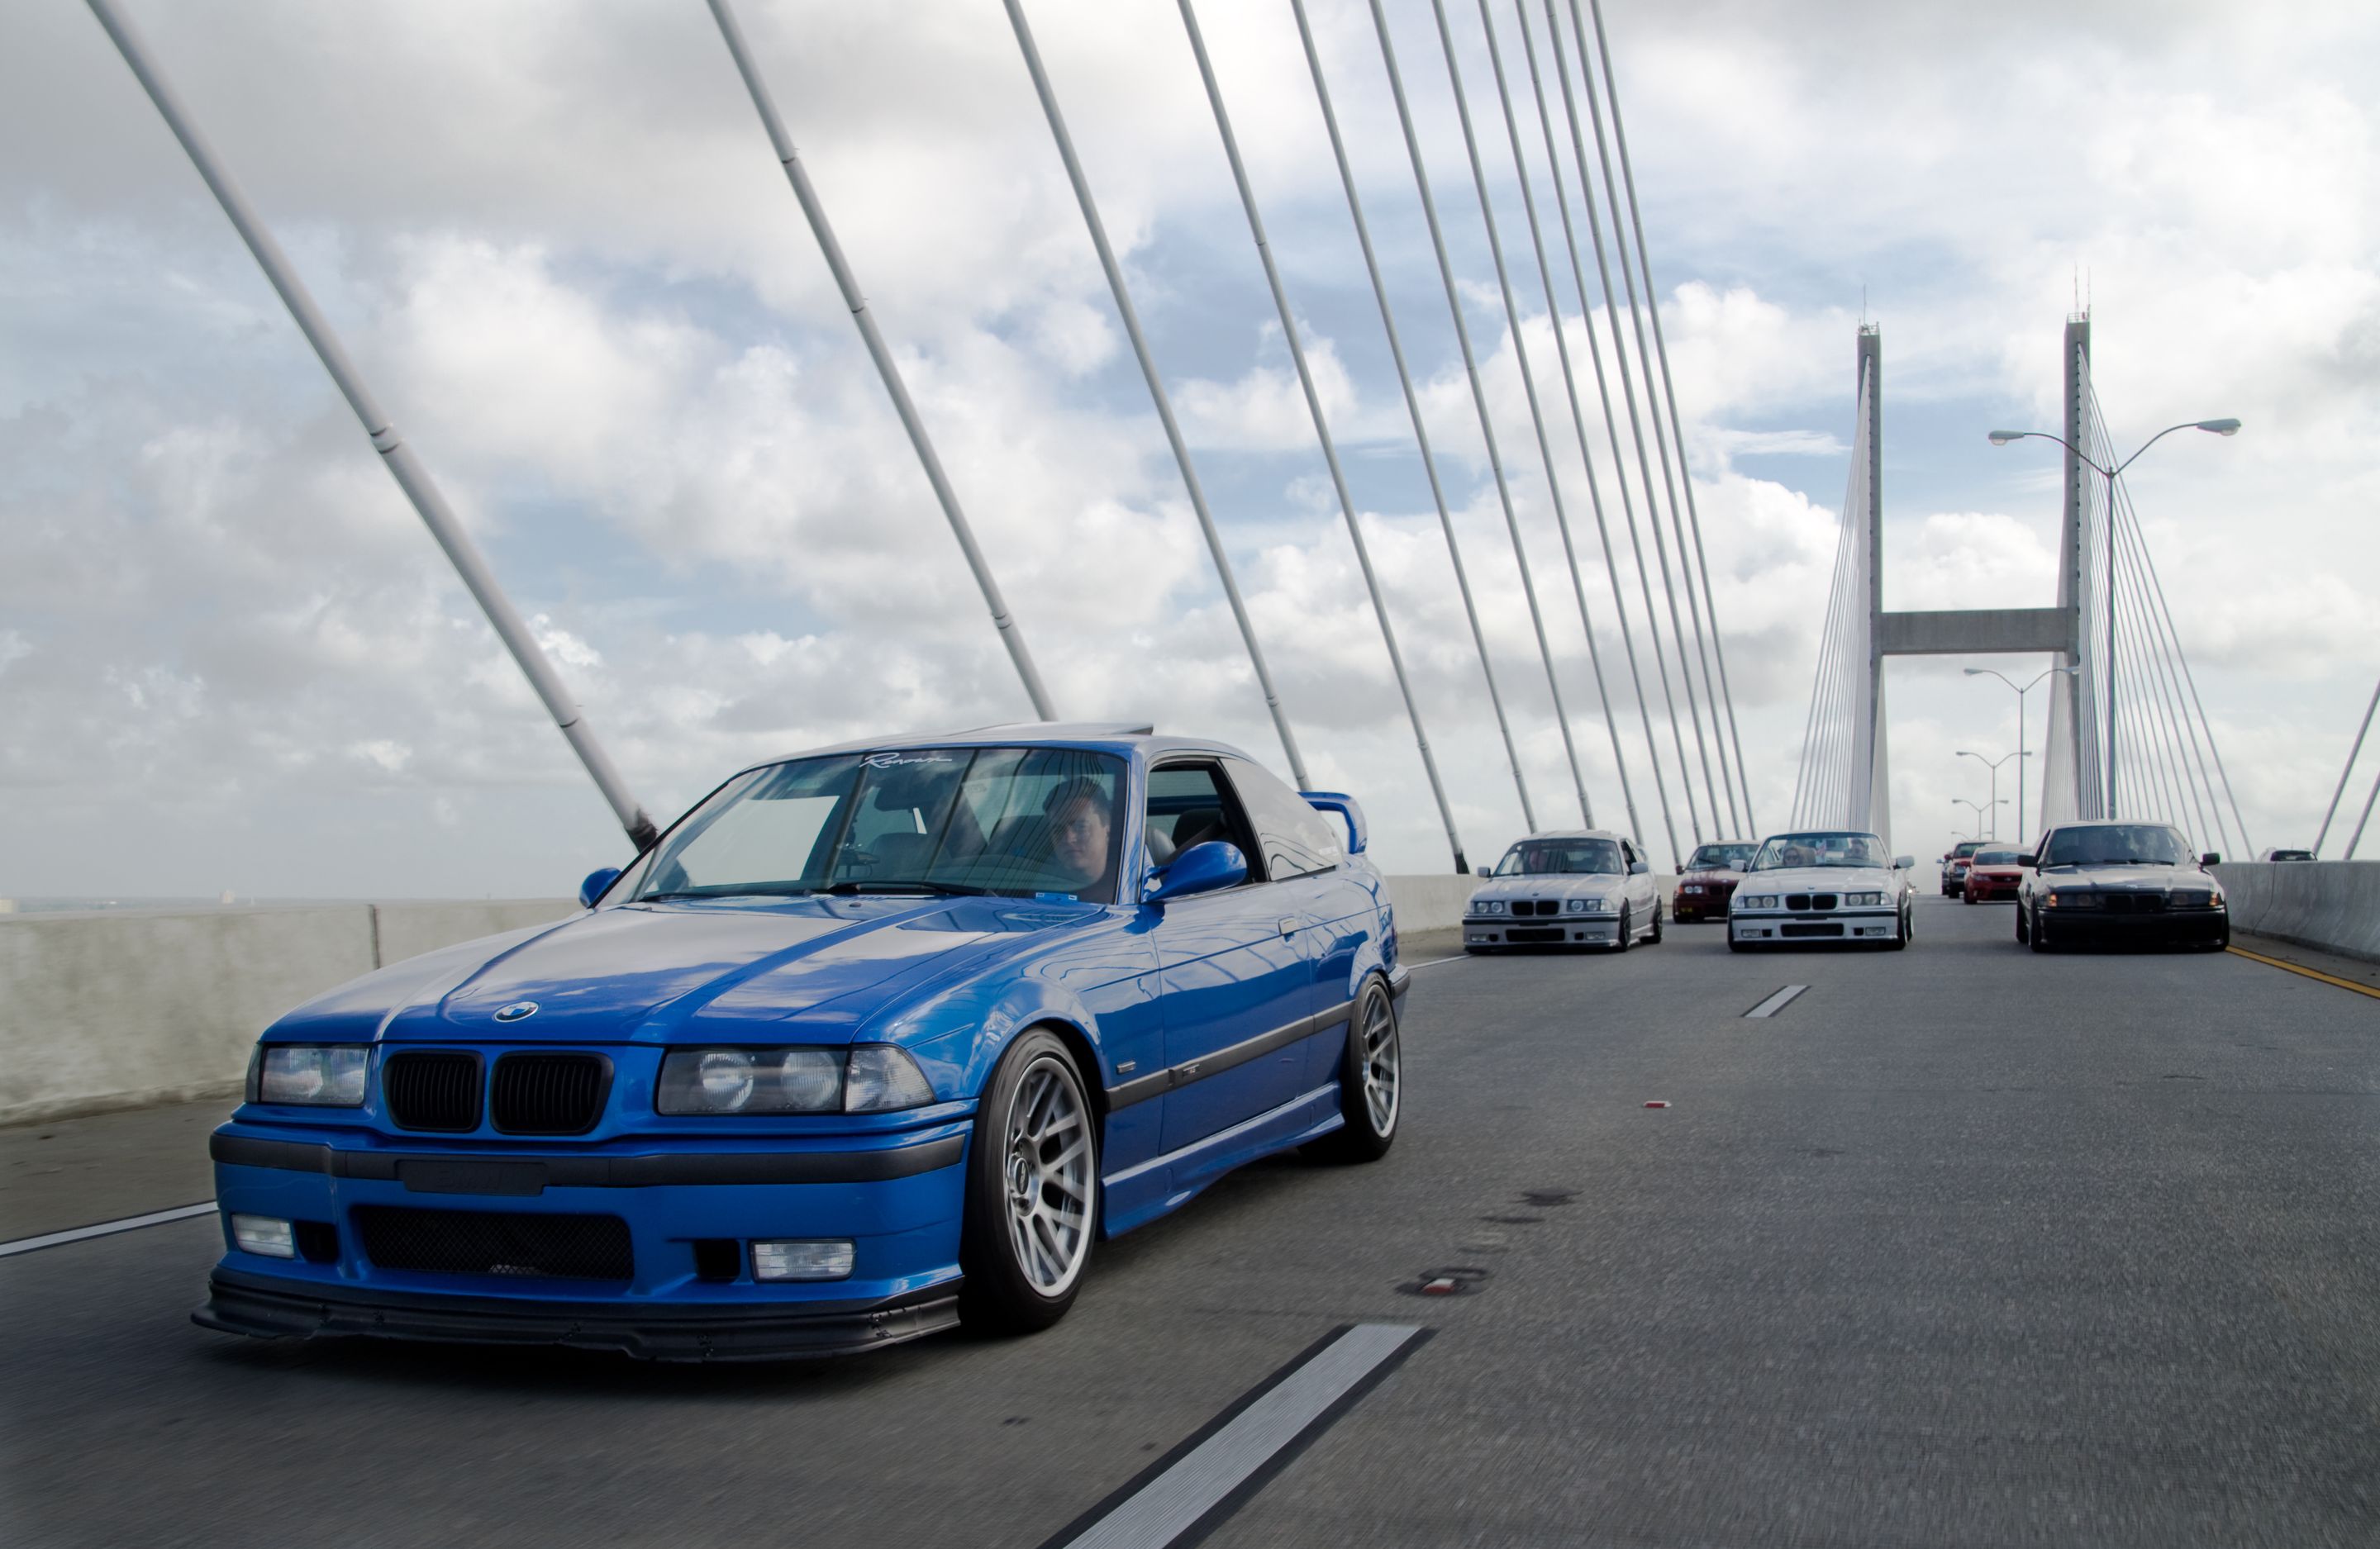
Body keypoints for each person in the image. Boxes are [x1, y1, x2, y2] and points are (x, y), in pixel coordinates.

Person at [1042, 777, 1116, 899]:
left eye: (1081, 827)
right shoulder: (1030, 886)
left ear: (1108, 830)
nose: (1068, 838)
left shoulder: (1137, 886)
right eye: (1058, 830)